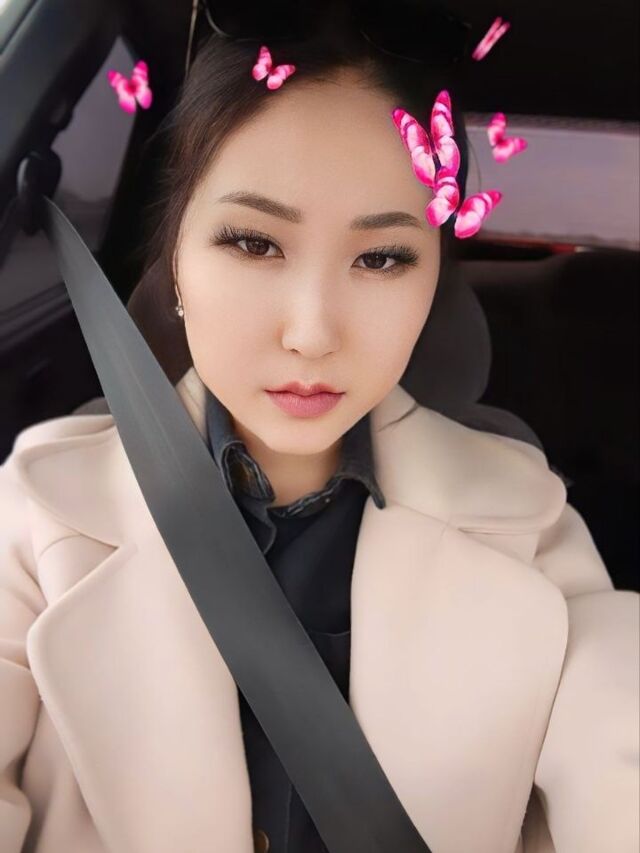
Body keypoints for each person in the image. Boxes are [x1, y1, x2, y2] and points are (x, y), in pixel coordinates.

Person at [1, 15, 638, 853]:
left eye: (382, 258)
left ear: (434, 278)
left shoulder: (536, 532)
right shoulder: (35, 522)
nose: (311, 333)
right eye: (254, 242)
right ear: (177, 261)